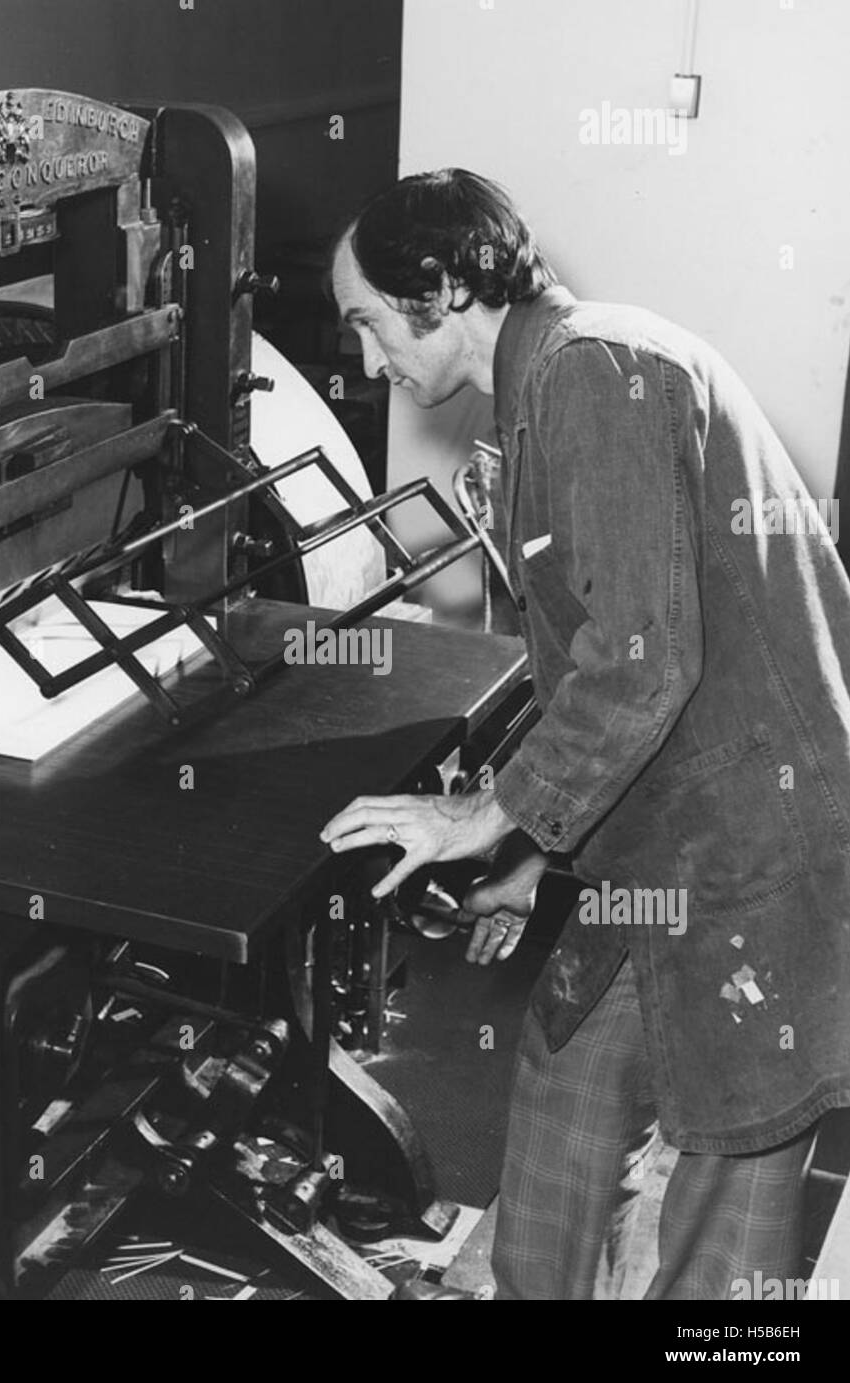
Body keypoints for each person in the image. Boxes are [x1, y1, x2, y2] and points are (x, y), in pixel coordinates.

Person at [320, 168, 850, 1300]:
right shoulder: (542, 393)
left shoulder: (596, 374)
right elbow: (601, 671)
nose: (368, 362)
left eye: (368, 323)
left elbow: (638, 662)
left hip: (754, 861)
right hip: (660, 844)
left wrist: (481, 816)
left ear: (443, 286)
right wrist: (532, 859)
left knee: (725, 1227)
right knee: (561, 1103)